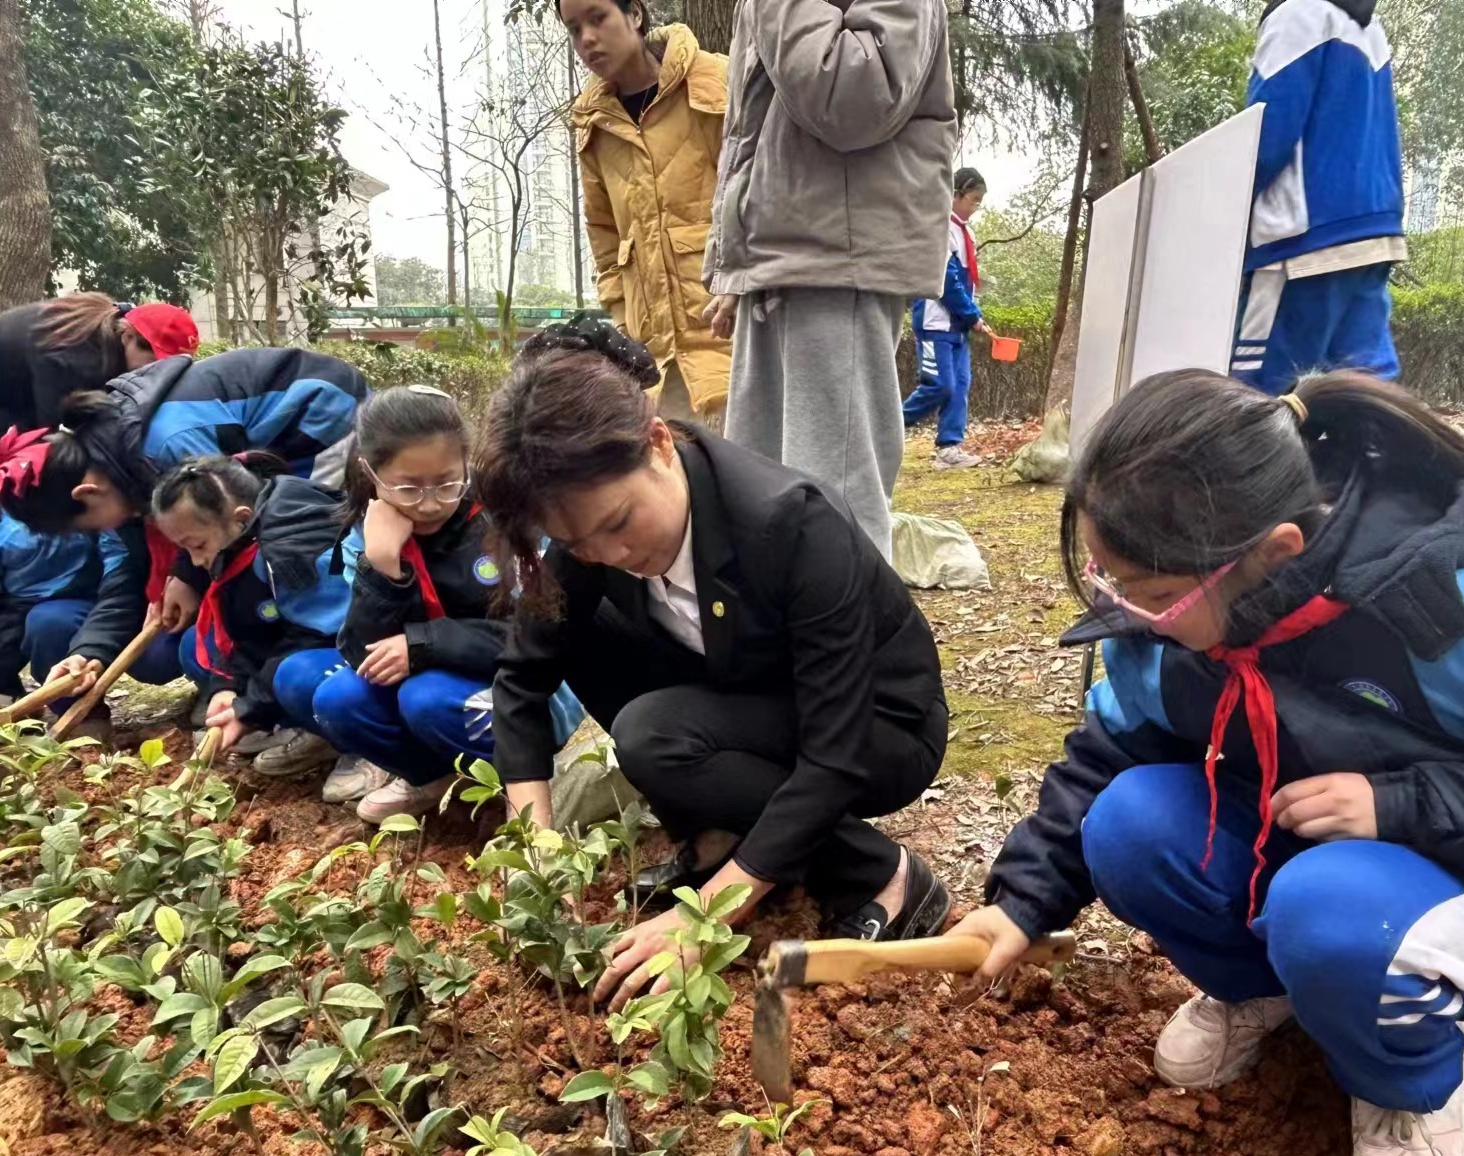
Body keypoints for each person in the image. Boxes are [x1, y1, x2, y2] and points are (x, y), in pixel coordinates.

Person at [950, 369, 1464, 1156]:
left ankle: (1412, 1085)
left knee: (1333, 913)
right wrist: (1024, 898)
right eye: (1111, 584)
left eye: (1147, 593)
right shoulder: (1178, 618)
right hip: (1314, 860)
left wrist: (1407, 802)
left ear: (1275, 550)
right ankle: (1269, 991)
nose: (1125, 614)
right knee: (1127, 822)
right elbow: (1111, 745)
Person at [479, 320, 951, 1009]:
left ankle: (887, 874)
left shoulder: (790, 524)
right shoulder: (585, 536)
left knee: (655, 734)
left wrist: (705, 916)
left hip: (878, 729)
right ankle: (719, 833)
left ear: (660, 445)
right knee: (570, 629)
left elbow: (833, 754)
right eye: (577, 543)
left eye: (618, 524)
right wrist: (539, 852)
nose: (608, 553)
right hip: (748, 694)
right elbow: (522, 679)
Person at [703, 0, 957, 559]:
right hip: (784, 260)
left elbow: (853, 95)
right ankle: (783, 647)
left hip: (839, 263)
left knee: (835, 515)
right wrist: (735, 265)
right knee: (759, 503)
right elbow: (752, 127)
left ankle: (854, 649)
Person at [0, 347, 367, 730]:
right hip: (266, 455)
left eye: (86, 527)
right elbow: (126, 573)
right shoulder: (116, 468)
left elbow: (227, 521)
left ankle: (316, 706)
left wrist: (191, 573)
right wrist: (89, 651)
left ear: (86, 494)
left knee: (296, 564)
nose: (98, 533)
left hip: (322, 420)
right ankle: (271, 699)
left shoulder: (170, 444)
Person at [269, 385, 585, 818]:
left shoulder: (506, 521)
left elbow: (541, 637)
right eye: (409, 488)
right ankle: (431, 778)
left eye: (447, 483)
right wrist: (381, 567)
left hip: (521, 694)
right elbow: (362, 652)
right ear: (372, 473)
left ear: (465, 463)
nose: (431, 503)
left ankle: (514, 783)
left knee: (425, 697)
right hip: (429, 680)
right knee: (325, 691)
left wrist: (425, 643)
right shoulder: (365, 535)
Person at [562, 0, 730, 428]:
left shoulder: (716, 80)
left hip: (735, 338)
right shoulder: (593, 124)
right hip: (657, 363)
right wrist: (625, 317)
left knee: (761, 485)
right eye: (574, 28)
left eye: (598, 18)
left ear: (635, 14)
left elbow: (762, 197)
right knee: (678, 488)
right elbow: (603, 235)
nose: (587, 39)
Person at [1231, 0, 1405, 394]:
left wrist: (1225, 220)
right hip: (1372, 234)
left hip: (1300, 242)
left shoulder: (1297, 13)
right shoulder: (1370, 28)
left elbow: (1266, 131)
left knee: (1257, 399)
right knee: (1372, 398)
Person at [152, 457, 351, 757]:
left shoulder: (291, 550)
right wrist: (226, 686)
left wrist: (250, 706)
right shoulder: (239, 539)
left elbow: (313, 634)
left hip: (347, 649)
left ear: (242, 518)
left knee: (295, 676)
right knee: (196, 648)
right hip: (287, 634)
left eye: (198, 545)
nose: (194, 562)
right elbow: (241, 629)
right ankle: (288, 722)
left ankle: (351, 746)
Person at [0, 460, 119, 698]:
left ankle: (72, 707)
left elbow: (15, 616)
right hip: (15, 593)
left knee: (48, 626)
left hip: (79, 593)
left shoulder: (19, 539)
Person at [0, 293, 199, 441]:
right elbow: (55, 435)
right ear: (129, 336)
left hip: (18, 389)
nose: (162, 373)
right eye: (157, 363)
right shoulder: (78, 359)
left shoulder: (111, 320)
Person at [903, 167, 991, 471]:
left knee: (960, 384)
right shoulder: (938, 228)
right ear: (954, 194)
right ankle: (890, 427)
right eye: (973, 200)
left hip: (958, 326)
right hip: (935, 323)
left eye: (979, 202)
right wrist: (971, 315)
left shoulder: (967, 232)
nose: (975, 208)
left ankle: (949, 448)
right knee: (938, 385)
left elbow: (968, 282)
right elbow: (947, 280)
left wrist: (975, 314)